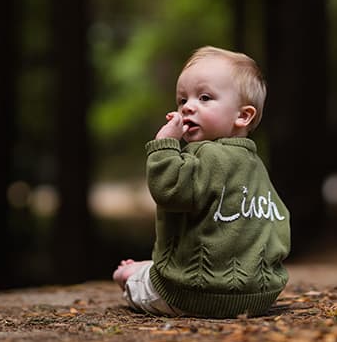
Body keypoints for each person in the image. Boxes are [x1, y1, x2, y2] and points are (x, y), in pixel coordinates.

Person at [112, 46, 291, 318]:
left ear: (243, 115)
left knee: (137, 279)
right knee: (158, 265)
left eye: (205, 97)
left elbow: (169, 191)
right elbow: (279, 222)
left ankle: (129, 277)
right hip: (257, 296)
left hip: (192, 295)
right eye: (182, 100)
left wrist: (164, 146)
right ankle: (145, 268)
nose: (188, 107)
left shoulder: (203, 155)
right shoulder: (254, 165)